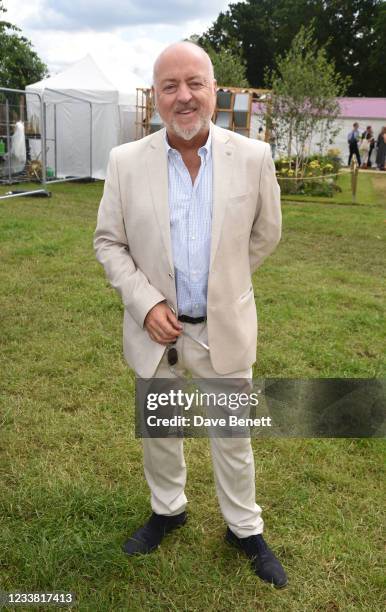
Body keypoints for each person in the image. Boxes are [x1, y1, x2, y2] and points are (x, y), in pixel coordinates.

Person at [94, 42, 287, 588]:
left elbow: (265, 234)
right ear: (156, 96)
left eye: (193, 83)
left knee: (233, 435)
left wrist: (221, 282)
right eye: (170, 86)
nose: (183, 97)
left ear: (214, 89)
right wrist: (147, 301)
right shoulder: (125, 162)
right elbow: (109, 242)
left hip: (222, 327)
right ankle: (167, 510)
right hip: (156, 330)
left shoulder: (253, 157)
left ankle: (244, 528)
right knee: (161, 430)